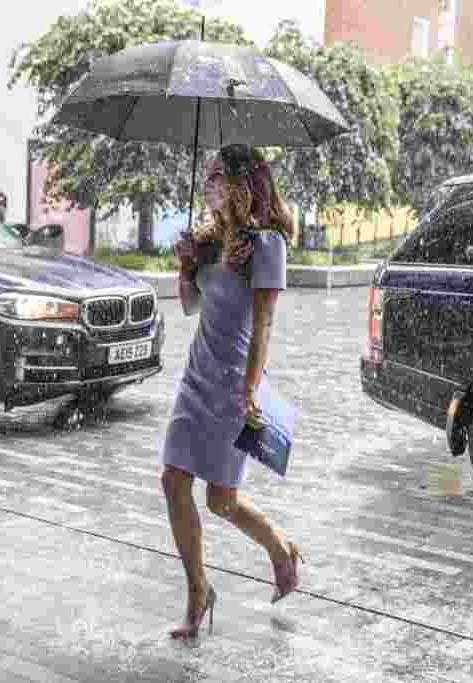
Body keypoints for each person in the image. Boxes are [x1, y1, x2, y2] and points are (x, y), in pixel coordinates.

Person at [162, 144, 303, 639]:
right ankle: (198, 592)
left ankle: (279, 546)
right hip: (197, 375)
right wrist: (185, 266)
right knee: (172, 480)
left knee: (221, 499)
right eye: (207, 176)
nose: (209, 184)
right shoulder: (206, 239)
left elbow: (264, 321)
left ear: (244, 183)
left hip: (233, 384)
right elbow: (187, 307)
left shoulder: (266, 244)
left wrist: (250, 388)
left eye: (218, 175)